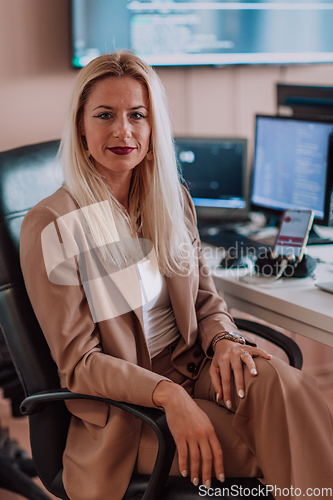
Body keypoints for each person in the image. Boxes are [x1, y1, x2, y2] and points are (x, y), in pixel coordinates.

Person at [20, 52, 333, 500]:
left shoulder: (171, 199)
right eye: (105, 115)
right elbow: (80, 365)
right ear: (81, 126)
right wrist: (169, 396)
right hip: (129, 409)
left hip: (196, 365)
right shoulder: (53, 223)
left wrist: (225, 339)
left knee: (291, 388)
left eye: (137, 115)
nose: (123, 130)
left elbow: (207, 301)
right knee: (292, 441)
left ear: (153, 128)